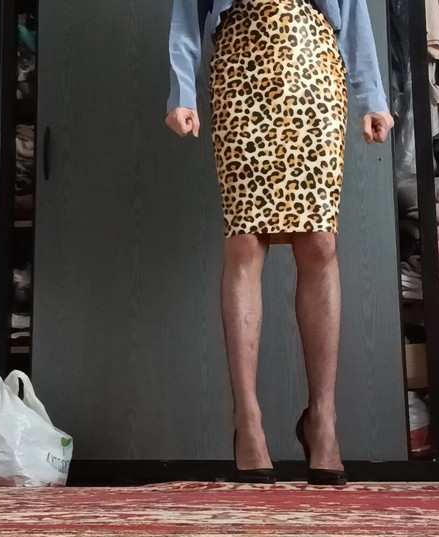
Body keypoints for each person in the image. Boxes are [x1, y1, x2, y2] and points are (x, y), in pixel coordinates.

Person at [165, 0, 394, 485]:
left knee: (320, 244)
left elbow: (353, 11)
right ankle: (247, 420)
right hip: (240, 67)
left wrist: (372, 95)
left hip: (316, 69)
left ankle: (322, 419)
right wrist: (181, 88)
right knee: (244, 243)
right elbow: (186, 11)